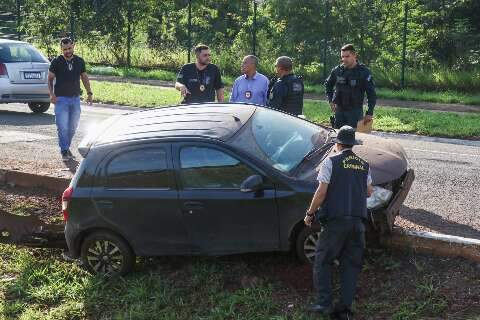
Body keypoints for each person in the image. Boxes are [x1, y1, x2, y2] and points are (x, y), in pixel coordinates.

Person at [304, 125, 373, 320]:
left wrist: (310, 214)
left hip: (335, 222)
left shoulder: (331, 162)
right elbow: (369, 192)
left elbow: (321, 192)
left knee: (323, 260)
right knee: (350, 265)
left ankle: (324, 304)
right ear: (352, 145)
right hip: (358, 223)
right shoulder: (363, 164)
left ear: (338, 144)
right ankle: (344, 310)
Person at [48, 37, 93, 161]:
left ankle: (66, 148)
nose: (67, 51)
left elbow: (84, 77)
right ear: (61, 49)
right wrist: (51, 94)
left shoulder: (79, 61)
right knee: (62, 126)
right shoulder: (56, 61)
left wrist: (89, 93)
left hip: (75, 99)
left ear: (73, 46)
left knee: (73, 126)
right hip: (61, 99)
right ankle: (64, 151)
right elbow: (50, 78)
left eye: (69, 48)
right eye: (64, 49)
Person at [325, 44, 376, 129]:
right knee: (338, 139)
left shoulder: (364, 72)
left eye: (347, 56)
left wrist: (369, 113)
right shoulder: (337, 71)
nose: (344, 59)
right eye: (342, 57)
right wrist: (330, 101)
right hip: (339, 112)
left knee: (354, 139)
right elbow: (328, 85)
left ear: (354, 55)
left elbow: (371, 94)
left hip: (355, 112)